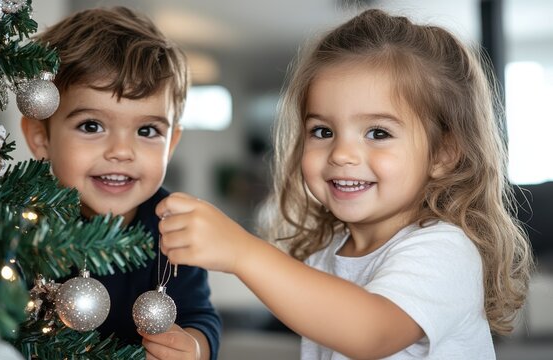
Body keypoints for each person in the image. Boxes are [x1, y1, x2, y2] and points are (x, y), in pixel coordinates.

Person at [156, 9, 534, 359]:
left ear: (442, 154)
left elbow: (370, 332)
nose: (341, 153)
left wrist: (243, 253)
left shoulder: (444, 248)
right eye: (322, 130)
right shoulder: (328, 254)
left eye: (377, 132)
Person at [20, 6, 221, 360]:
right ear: (40, 137)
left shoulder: (175, 231)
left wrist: (194, 347)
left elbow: (199, 316)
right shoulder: (19, 226)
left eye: (147, 131)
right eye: (92, 126)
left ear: (171, 144)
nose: (121, 151)